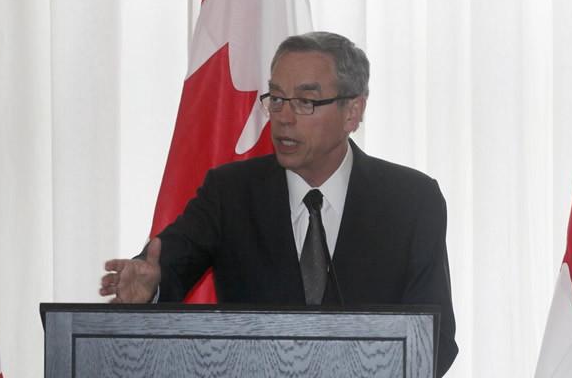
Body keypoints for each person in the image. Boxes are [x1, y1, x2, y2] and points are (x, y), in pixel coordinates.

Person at [100, 31, 457, 376]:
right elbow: (169, 261)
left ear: (353, 111)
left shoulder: (411, 201)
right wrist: (151, 285)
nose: (284, 117)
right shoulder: (230, 193)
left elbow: (435, 336)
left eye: (305, 101)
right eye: (277, 98)